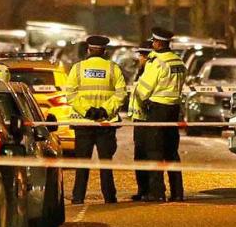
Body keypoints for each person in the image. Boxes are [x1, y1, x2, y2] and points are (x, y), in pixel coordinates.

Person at [64, 35, 126, 204]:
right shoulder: (113, 68)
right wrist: (105, 110)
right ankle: (109, 197)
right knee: (106, 162)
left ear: (88, 50)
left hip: (83, 123)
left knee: (82, 163)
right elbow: (121, 93)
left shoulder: (77, 68)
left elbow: (70, 94)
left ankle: (78, 197)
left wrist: (87, 110)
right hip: (106, 123)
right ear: (104, 51)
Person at [135, 27, 186, 201]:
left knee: (154, 150)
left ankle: (157, 193)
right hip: (174, 110)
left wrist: (139, 98)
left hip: (157, 109)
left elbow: (144, 88)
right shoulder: (178, 61)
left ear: (157, 43)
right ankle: (177, 193)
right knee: (172, 152)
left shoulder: (156, 61)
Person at [129, 41, 153, 202]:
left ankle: (149, 190)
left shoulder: (150, 70)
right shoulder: (142, 72)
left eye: (142, 56)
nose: (140, 59)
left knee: (147, 156)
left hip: (148, 119)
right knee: (140, 157)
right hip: (140, 119)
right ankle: (142, 189)